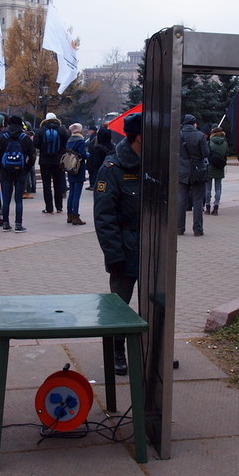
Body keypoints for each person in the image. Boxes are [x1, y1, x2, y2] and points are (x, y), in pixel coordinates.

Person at [93, 112, 143, 375]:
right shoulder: (112, 169)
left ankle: (152, 348)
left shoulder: (153, 165)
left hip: (151, 250)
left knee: (156, 301)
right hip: (124, 250)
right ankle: (116, 350)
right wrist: (113, 254)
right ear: (138, 137)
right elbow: (104, 217)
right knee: (119, 305)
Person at [0, 114, 35, 232]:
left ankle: (5, 223)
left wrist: (1, 166)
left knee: (6, 199)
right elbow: (32, 155)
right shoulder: (24, 137)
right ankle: (18, 224)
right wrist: (26, 167)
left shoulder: (3, 136)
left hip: (6, 171)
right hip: (21, 170)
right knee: (18, 199)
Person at [177, 114, 209, 236]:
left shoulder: (178, 134)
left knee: (181, 200)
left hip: (182, 171)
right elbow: (205, 153)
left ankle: (179, 228)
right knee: (198, 200)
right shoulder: (200, 135)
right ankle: (197, 229)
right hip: (198, 171)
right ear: (194, 123)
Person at [35, 112, 69, 214]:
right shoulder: (62, 130)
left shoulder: (40, 130)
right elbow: (65, 144)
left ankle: (49, 208)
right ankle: (59, 207)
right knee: (58, 184)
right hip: (58, 161)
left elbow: (36, 144)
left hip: (44, 162)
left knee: (46, 185)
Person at [64, 122, 89, 225]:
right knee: (76, 195)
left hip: (70, 168)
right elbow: (82, 154)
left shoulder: (69, 140)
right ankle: (75, 216)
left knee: (71, 193)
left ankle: (69, 215)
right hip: (78, 169)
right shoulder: (80, 140)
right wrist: (88, 155)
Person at [205, 126, 228, 215]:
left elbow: (206, 153)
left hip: (210, 166)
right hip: (220, 167)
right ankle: (216, 207)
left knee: (208, 189)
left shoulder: (209, 142)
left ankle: (207, 207)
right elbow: (226, 153)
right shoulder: (225, 143)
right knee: (218, 188)